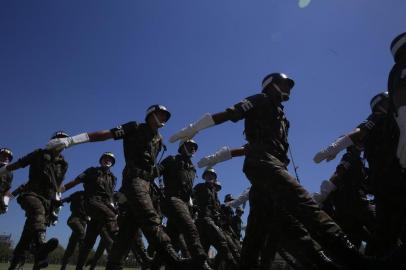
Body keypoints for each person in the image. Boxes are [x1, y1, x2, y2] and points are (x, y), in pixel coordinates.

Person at [170, 73, 381, 269]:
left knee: (270, 230)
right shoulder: (261, 99)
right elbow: (231, 114)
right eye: (283, 84)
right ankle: (355, 260)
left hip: (269, 167)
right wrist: (195, 127)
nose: (287, 88)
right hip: (263, 165)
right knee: (303, 203)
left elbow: (256, 145)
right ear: (270, 85)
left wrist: (224, 155)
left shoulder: (280, 115)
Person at [46, 105, 192, 269]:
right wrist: (72, 140)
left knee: (126, 233)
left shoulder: (159, 139)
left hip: (147, 185)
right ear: (151, 114)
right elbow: (105, 134)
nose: (164, 118)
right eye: (161, 114)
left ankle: (114, 265)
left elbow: (153, 167)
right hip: (134, 181)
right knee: (150, 218)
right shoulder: (134, 127)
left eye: (166, 116)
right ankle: (173, 260)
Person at [0, 131, 69, 270]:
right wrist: (3, 169)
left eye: (65, 140)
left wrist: (56, 208)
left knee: (29, 232)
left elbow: (58, 185)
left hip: (47, 201)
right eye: (58, 138)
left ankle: (16, 263)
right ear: (52, 141)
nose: (61, 141)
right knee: (38, 211)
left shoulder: (64, 164)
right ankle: (40, 248)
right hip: (31, 194)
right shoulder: (38, 154)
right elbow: (19, 164)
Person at [0, 148, 13, 214]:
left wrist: (6, 203)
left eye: (9, 157)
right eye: (4, 155)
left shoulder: (9, 173)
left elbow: (7, 189)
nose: (6, 158)